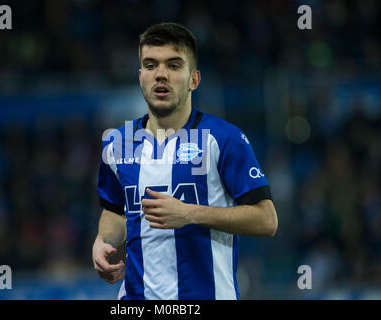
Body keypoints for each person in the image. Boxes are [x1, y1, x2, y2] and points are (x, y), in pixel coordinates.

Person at [92, 22, 278, 300]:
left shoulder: (224, 138)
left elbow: (266, 220)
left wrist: (190, 213)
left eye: (174, 65)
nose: (161, 75)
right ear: (140, 75)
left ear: (194, 79)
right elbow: (116, 210)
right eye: (151, 65)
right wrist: (103, 241)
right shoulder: (118, 142)